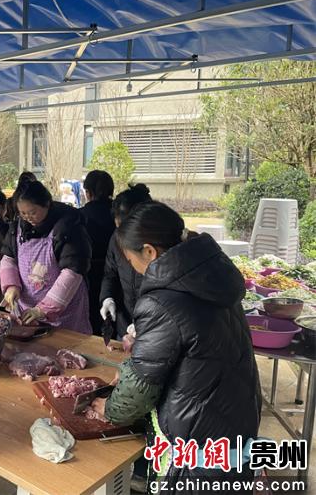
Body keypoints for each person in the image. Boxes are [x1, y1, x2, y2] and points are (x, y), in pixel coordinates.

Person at [92, 202, 261, 493]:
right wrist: (133, 365)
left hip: (200, 442)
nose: (133, 268)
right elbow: (187, 352)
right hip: (235, 419)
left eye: (131, 260)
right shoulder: (209, 275)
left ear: (149, 251)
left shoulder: (163, 300)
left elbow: (139, 389)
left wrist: (110, 408)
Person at [0, 181, 93, 334]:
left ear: (47, 204)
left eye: (32, 212)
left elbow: (72, 272)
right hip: (27, 309)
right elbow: (8, 258)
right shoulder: (17, 227)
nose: (28, 217)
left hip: (64, 311)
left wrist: (44, 309)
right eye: (23, 213)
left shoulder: (68, 228)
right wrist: (11, 286)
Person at [99, 184, 152, 338]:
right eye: (119, 228)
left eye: (126, 230)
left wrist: (149, 321)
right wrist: (107, 298)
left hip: (153, 326)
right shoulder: (116, 239)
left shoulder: (158, 246)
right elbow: (110, 273)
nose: (122, 237)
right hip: (125, 321)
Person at [79, 170, 116, 335]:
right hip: (117, 275)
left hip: (87, 274)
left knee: (91, 317)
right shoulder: (121, 214)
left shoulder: (79, 216)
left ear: (87, 193)